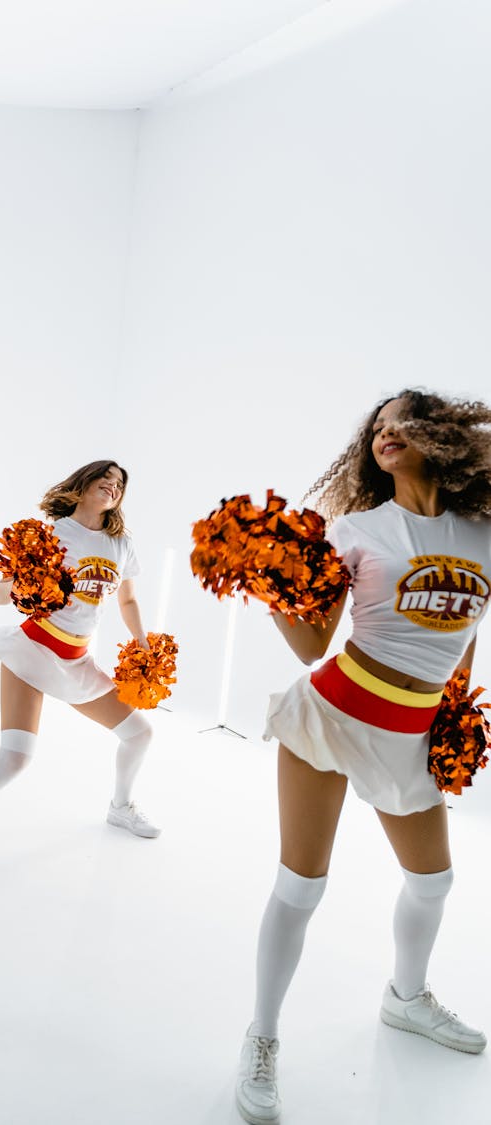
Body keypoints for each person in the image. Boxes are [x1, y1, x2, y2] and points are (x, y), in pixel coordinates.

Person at [236, 389, 491, 1125]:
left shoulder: (481, 534)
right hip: (332, 716)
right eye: (376, 427)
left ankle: (405, 998)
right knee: (301, 887)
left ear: (441, 436)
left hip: (412, 734)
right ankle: (262, 1036)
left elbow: (467, 631)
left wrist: (455, 715)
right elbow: (314, 645)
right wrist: (268, 582)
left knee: (434, 881)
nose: (384, 434)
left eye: (400, 422)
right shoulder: (356, 527)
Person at [0, 460, 159, 865]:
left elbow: (127, 599)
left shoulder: (121, 544)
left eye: (120, 484)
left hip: (78, 660)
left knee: (140, 734)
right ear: (83, 483)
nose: (113, 486)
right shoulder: (54, 533)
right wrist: (26, 583)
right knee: (15, 758)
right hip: (34, 651)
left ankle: (120, 807)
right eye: (105, 478)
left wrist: (143, 642)